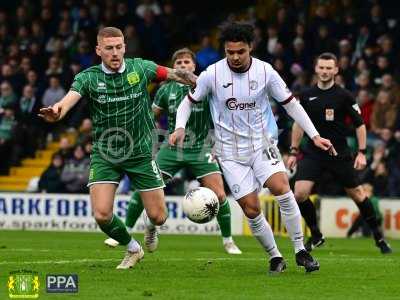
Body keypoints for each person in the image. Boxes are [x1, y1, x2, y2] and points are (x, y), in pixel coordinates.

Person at [170, 21, 335, 273]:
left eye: (240, 52)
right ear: (225, 50)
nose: (235, 57)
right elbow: (187, 103)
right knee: (251, 207)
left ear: (250, 48)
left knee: (281, 188)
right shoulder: (211, 75)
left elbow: (291, 104)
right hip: (229, 153)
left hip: (261, 144)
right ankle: (275, 257)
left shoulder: (266, 71)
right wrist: (179, 126)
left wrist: (314, 136)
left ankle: (301, 250)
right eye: (230, 52)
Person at [39, 27, 197, 269]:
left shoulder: (140, 68)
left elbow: (174, 74)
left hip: (141, 153)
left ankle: (151, 227)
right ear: (98, 50)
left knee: (159, 216)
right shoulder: (88, 77)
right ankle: (133, 248)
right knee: (101, 214)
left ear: (124, 47)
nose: (115, 53)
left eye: (119, 47)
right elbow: (70, 98)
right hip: (106, 154)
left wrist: (201, 81)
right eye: (109, 48)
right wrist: (58, 109)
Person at [104, 48, 242, 255]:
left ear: (194, 66)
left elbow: (221, 114)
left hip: (200, 147)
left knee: (220, 194)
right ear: (173, 67)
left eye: (187, 62)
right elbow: (150, 116)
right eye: (178, 63)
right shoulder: (165, 90)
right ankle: (131, 230)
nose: (183, 66)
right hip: (171, 148)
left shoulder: (206, 88)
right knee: (144, 188)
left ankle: (228, 241)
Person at [287, 52, 392, 254]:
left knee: (358, 195)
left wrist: (361, 152)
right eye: (322, 68)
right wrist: (293, 151)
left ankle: (378, 237)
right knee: (299, 194)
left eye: (329, 68)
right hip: (313, 153)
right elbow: (298, 124)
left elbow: (360, 125)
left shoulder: (344, 96)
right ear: (316, 69)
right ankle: (316, 234)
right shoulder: (306, 95)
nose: (325, 71)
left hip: (339, 154)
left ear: (336, 70)